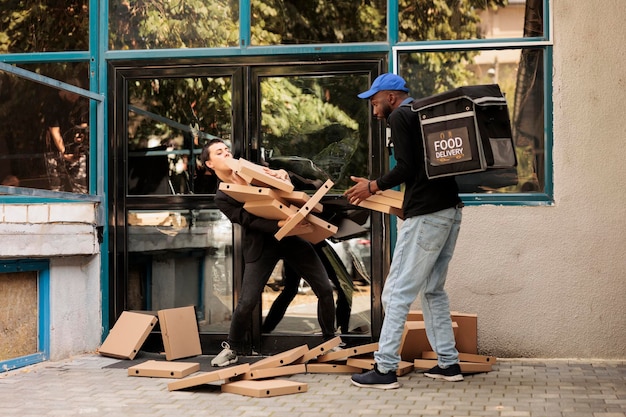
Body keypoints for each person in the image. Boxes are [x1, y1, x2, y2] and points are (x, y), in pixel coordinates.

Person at [345, 73, 464, 389]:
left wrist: (372, 186)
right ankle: (449, 364)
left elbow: (406, 168)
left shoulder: (400, 116)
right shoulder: (421, 116)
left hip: (427, 216)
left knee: (395, 293)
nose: (374, 110)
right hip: (450, 212)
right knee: (433, 290)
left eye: (374, 102)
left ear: (391, 97)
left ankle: (384, 369)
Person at [201, 138, 338, 367]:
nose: (226, 153)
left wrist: (283, 174)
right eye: (219, 152)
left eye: (226, 149)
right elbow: (246, 220)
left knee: (324, 288)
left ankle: (330, 340)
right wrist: (279, 225)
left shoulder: (251, 171)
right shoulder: (222, 197)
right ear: (210, 164)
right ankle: (232, 348)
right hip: (262, 244)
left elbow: (287, 187)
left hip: (292, 238)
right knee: (247, 301)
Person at [262, 240, 353, 335]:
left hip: (298, 242)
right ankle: (341, 332)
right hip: (308, 242)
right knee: (343, 284)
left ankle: (266, 329)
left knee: (291, 289)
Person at [43, 78, 89, 193]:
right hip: (55, 148)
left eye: (76, 95)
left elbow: (84, 125)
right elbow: (54, 131)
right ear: (63, 91)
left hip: (76, 147)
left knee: (80, 187)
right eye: (71, 94)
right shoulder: (52, 103)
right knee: (56, 187)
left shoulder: (81, 103)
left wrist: (80, 141)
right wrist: (64, 152)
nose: (74, 97)